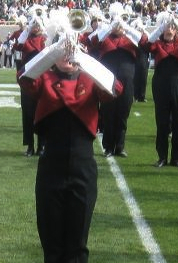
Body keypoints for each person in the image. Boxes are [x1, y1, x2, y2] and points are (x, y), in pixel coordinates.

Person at [17, 33, 123, 263]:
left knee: (77, 247)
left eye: (71, 49)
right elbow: (24, 77)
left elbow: (115, 88)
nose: (68, 55)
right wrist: (53, 50)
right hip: (50, 168)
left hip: (83, 168)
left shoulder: (89, 79)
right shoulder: (43, 78)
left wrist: (84, 59)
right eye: (62, 51)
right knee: (52, 246)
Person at [140, 11, 178, 168]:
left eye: (172, 28)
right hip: (160, 84)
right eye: (167, 28)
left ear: (176, 31)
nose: (169, 30)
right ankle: (162, 157)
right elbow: (146, 44)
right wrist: (160, 27)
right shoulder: (157, 44)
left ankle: (176, 158)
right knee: (162, 121)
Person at [90, 6, 142, 158]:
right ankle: (108, 147)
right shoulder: (104, 37)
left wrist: (126, 27)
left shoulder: (130, 39)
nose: (118, 27)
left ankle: (120, 146)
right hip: (108, 80)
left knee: (123, 112)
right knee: (108, 111)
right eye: (116, 24)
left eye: (121, 24)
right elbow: (92, 41)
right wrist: (109, 27)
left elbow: (144, 40)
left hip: (127, 81)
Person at [17, 15, 46, 156]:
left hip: (42, 80)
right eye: (34, 24)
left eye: (38, 24)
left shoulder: (45, 38)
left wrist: (44, 27)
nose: (36, 26)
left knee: (41, 112)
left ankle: (42, 145)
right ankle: (30, 146)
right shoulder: (25, 38)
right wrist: (27, 28)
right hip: (27, 80)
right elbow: (18, 44)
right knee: (27, 113)